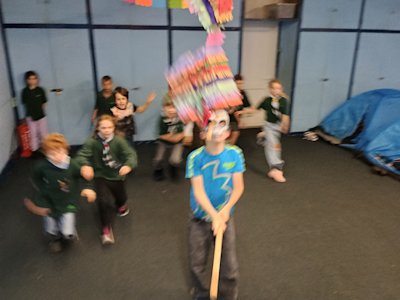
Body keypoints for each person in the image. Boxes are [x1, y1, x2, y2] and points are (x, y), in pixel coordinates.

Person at [186, 110, 245, 300]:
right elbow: (199, 191)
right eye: (210, 122)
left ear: (228, 132)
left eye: (221, 123)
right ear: (202, 132)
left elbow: (238, 187)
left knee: (229, 264)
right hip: (200, 217)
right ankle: (204, 292)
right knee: (197, 262)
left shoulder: (235, 154)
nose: (216, 127)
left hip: (225, 217)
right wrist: (214, 215)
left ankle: (228, 295)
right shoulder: (195, 157)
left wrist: (224, 212)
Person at [23, 133, 96, 253]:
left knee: (67, 230)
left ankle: (68, 234)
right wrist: (42, 189)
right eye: (52, 154)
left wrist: (88, 188)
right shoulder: (42, 166)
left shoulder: (72, 164)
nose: (57, 157)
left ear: (66, 151)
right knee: (51, 226)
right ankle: (55, 239)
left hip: (68, 200)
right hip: (49, 200)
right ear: (46, 154)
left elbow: (84, 176)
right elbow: (35, 177)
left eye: (60, 152)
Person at [77, 115, 137, 245]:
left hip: (117, 175)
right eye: (103, 127)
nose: (106, 130)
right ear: (98, 127)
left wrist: (128, 165)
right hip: (100, 175)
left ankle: (121, 205)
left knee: (121, 197)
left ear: (114, 128)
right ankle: (106, 229)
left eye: (109, 127)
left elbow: (130, 154)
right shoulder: (92, 142)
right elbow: (82, 155)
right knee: (103, 201)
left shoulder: (119, 141)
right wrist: (85, 165)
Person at [245, 79, 290, 183]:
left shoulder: (284, 101)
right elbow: (255, 109)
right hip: (268, 126)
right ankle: (276, 169)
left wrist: (285, 125)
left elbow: (285, 115)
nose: (276, 90)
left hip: (277, 126)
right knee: (272, 145)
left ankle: (263, 137)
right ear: (270, 89)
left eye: (278, 88)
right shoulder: (266, 100)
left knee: (276, 146)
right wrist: (244, 111)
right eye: (273, 88)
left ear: (281, 89)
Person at [153, 95, 185, 181]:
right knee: (158, 158)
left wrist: (178, 136)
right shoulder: (162, 119)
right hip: (164, 141)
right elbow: (162, 135)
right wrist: (173, 137)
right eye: (168, 107)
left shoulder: (180, 117)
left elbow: (182, 132)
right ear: (164, 108)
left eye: (174, 107)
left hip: (177, 141)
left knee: (176, 159)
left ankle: (173, 169)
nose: (171, 110)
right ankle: (158, 170)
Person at [21, 70, 48, 155]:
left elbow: (44, 103)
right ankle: (35, 151)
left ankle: (45, 150)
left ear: (37, 79)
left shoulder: (40, 90)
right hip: (30, 117)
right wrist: (32, 113)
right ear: (27, 80)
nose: (32, 80)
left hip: (41, 116)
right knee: (33, 134)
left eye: (34, 78)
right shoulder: (25, 91)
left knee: (44, 134)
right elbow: (26, 104)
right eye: (30, 79)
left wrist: (39, 111)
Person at [227, 74, 251, 145]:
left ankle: (229, 149)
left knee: (235, 133)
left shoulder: (243, 93)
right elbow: (231, 111)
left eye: (241, 83)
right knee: (234, 132)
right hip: (228, 117)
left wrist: (246, 112)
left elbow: (248, 106)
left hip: (236, 118)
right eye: (237, 83)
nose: (239, 85)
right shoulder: (229, 93)